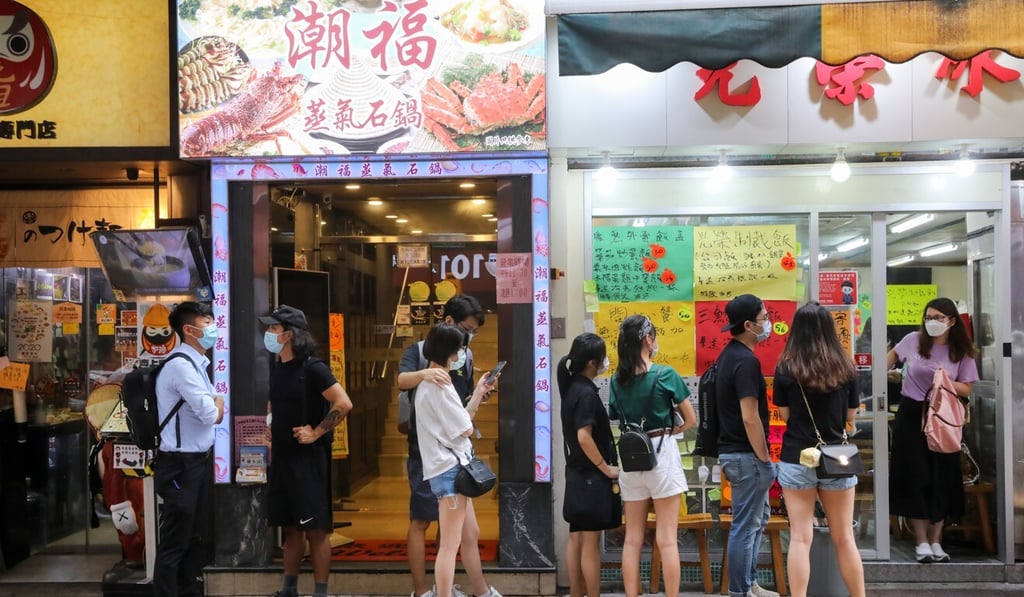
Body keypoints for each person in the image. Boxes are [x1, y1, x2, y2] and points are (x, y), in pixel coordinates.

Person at [396, 294, 498, 597]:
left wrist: (478, 391)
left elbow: (460, 416)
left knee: (468, 534)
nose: (466, 347)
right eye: (463, 341)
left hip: (450, 464)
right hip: (447, 468)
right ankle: (438, 592)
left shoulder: (440, 381)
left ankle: (481, 591)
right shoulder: (436, 382)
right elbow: (464, 426)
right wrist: (468, 410)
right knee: (448, 542)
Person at [260, 305, 354, 597]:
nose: (269, 333)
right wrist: (270, 425)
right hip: (283, 458)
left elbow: (343, 403)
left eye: (273, 328)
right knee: (289, 528)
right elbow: (275, 402)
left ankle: (320, 591)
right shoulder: (278, 368)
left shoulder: (313, 368)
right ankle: (289, 589)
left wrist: (316, 432)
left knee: (315, 530)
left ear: (288, 334)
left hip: (308, 462)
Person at [772, 302, 865, 597]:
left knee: (800, 538)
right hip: (837, 457)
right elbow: (850, 419)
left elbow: (785, 417)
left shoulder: (786, 368)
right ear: (829, 328)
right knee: (844, 538)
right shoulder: (845, 367)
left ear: (796, 331)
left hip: (797, 456)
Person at [608, 315, 696, 597]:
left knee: (632, 538)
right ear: (648, 340)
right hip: (661, 454)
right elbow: (690, 419)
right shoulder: (665, 375)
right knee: (667, 538)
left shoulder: (616, 381)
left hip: (630, 459)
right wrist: (675, 430)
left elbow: (614, 416)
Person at [887, 297, 978, 563]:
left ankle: (937, 539)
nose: (932, 323)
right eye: (928, 317)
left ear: (951, 321)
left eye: (938, 318)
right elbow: (887, 362)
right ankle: (921, 540)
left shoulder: (960, 351)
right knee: (916, 475)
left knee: (942, 474)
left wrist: (944, 380)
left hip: (943, 417)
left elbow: (967, 388)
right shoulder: (912, 340)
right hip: (912, 414)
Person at [153, 301, 225, 597]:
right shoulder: (181, 367)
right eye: (206, 322)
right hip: (180, 465)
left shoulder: (197, 365)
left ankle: (188, 591)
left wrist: (215, 403)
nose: (212, 327)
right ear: (189, 330)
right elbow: (212, 413)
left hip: (196, 462)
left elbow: (210, 408)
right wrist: (218, 402)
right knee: (176, 540)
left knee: (193, 536)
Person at [715, 294, 779, 597]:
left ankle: (750, 585)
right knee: (745, 527)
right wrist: (764, 458)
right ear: (748, 325)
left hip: (734, 453)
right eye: (764, 318)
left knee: (754, 522)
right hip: (746, 455)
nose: (768, 323)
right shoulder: (746, 362)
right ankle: (740, 591)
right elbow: (750, 417)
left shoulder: (727, 356)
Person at [557, 333, 620, 597]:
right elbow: (584, 437)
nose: (607, 361)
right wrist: (606, 468)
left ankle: (576, 593)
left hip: (576, 474)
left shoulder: (573, 388)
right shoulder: (585, 394)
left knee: (577, 538)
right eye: (604, 357)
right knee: (590, 543)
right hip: (591, 477)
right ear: (593, 362)